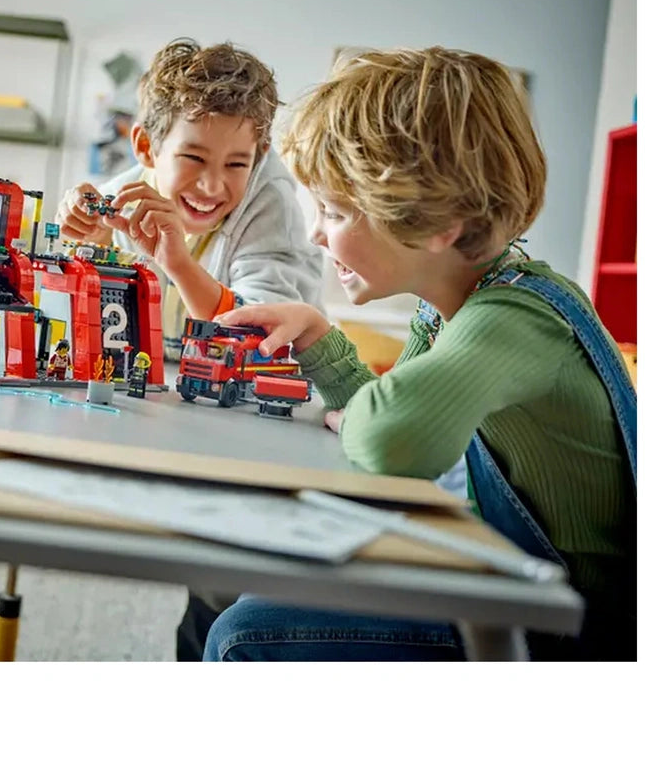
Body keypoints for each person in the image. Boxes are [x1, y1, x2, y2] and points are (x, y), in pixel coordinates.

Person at [201, 46, 636, 661]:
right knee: (238, 585)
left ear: (440, 224)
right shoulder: (452, 305)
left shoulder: (513, 320)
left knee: (245, 633)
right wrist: (321, 338)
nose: (318, 233)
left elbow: (390, 439)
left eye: (335, 210)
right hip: (509, 579)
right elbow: (389, 417)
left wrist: (364, 420)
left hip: (563, 628)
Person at [55, 37, 325, 658]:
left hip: (256, 410)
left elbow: (257, 337)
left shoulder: (274, 206)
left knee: (221, 588)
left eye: (238, 163)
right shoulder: (126, 189)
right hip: (168, 394)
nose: (212, 184)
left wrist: (176, 256)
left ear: (259, 155)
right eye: (194, 157)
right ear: (147, 148)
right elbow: (81, 302)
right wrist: (83, 239)